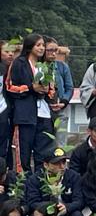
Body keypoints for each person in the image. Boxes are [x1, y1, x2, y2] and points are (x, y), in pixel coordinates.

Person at [4, 34, 54, 172]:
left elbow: (52, 90)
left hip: (43, 114)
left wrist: (48, 90)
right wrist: (31, 88)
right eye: (38, 45)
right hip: (25, 115)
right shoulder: (19, 63)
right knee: (24, 155)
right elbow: (9, 87)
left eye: (43, 45)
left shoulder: (45, 66)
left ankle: (40, 186)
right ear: (30, 46)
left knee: (43, 155)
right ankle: (23, 187)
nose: (42, 48)